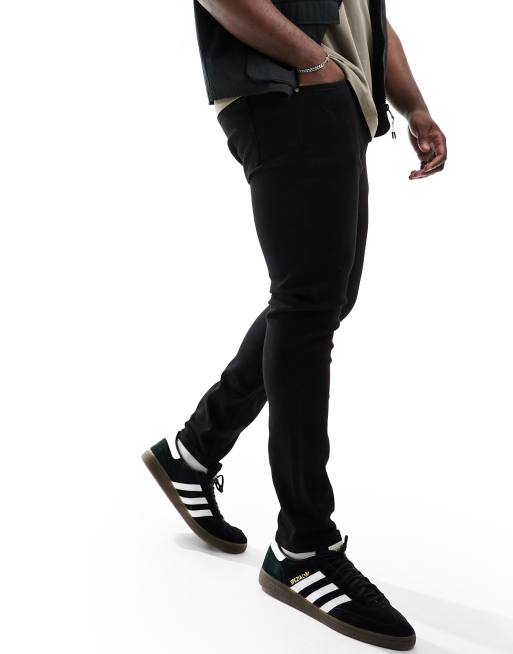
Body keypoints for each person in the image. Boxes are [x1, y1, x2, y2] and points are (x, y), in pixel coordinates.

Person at [142, 0, 447, 649]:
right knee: (308, 305)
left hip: (334, 102)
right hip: (289, 94)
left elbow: (372, 19)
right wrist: (312, 63)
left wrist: (413, 106)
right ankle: (303, 546)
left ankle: (193, 452)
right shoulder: (305, 75)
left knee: (319, 300)